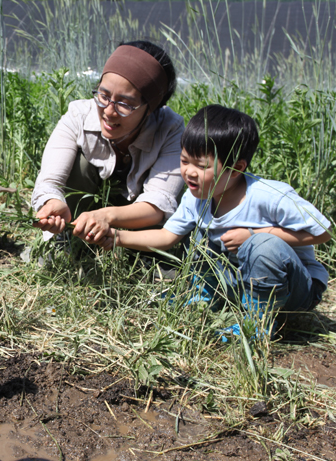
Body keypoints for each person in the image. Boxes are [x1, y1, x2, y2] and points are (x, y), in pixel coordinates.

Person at [101, 105, 331, 336]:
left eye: (201, 166)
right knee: (200, 234)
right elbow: (166, 236)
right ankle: (205, 297)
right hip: (240, 282)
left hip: (295, 290)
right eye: (184, 161)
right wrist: (116, 237)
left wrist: (256, 234)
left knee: (262, 246)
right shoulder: (197, 196)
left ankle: (256, 325)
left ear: (236, 168)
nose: (189, 172)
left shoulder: (269, 196)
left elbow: (323, 232)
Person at [32, 40, 185, 243]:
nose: (109, 112)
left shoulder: (171, 130)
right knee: (81, 164)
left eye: (125, 104)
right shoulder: (78, 115)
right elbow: (49, 182)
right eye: (103, 95)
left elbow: (159, 204)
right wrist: (53, 202)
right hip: (77, 221)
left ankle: (131, 254)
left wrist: (104, 216)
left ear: (151, 108)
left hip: (134, 231)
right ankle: (66, 243)